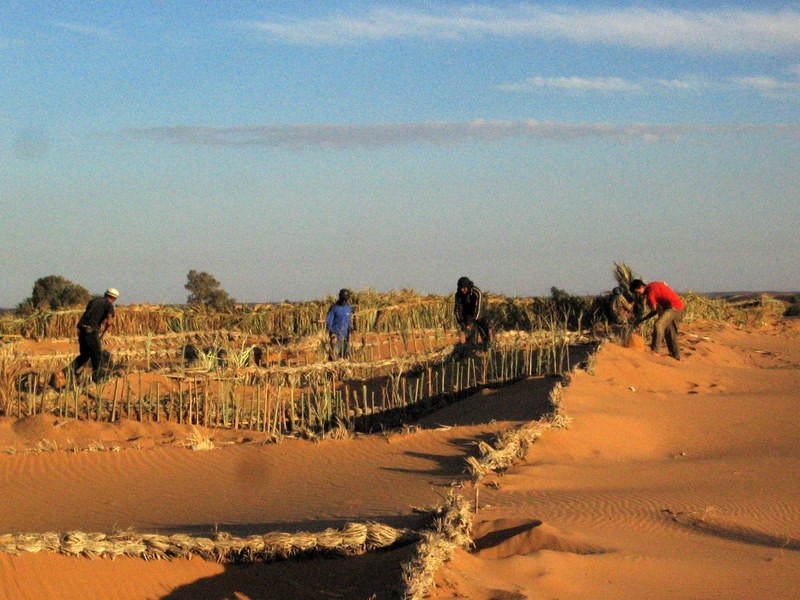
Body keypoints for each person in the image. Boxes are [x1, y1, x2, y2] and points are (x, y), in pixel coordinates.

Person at [71, 288, 119, 382]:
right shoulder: (108, 305)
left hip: (82, 329)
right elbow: (109, 320)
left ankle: (67, 372)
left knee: (85, 355)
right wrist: (109, 325)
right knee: (97, 354)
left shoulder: (94, 301)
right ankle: (98, 377)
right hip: (91, 330)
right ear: (113, 298)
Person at [630, 279, 685, 360]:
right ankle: (675, 354)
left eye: (637, 292)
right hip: (678, 306)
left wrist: (642, 319)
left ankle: (655, 351)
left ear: (641, 287)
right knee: (670, 331)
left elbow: (654, 311)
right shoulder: (651, 285)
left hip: (673, 307)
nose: (638, 294)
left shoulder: (650, 294)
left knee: (658, 324)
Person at [454, 276, 491, 349]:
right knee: (471, 338)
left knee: (485, 332)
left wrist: (473, 322)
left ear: (468, 286)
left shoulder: (476, 292)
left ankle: (487, 348)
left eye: (464, 288)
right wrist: (462, 323)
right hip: (467, 315)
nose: (462, 290)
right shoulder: (458, 294)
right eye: (461, 288)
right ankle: (471, 350)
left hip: (480, 314)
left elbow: (478, 308)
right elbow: (457, 310)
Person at [325, 288, 354, 359]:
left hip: (345, 337)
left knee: (346, 356)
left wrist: (351, 329)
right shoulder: (334, 308)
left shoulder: (348, 308)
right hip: (336, 337)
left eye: (345, 299)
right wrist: (332, 334)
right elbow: (328, 322)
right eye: (343, 299)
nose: (344, 301)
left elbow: (349, 321)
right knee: (334, 357)